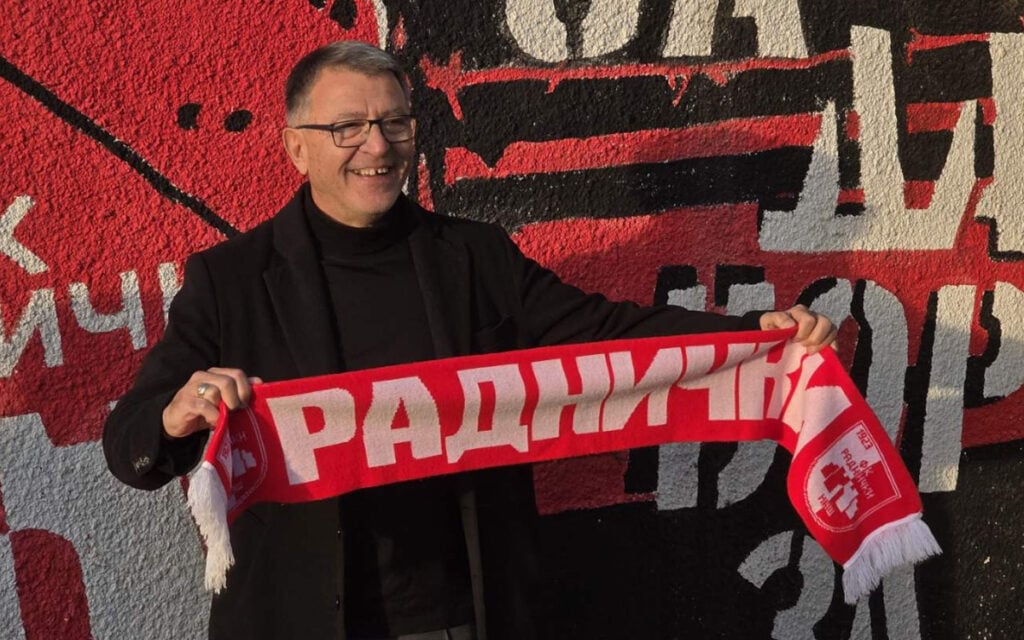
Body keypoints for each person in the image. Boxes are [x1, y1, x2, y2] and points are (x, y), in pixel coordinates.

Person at [103, 41, 836, 640]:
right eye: (347, 127)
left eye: (395, 122)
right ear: (296, 147)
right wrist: (176, 415)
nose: (377, 146)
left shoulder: (476, 257)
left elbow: (606, 332)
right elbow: (130, 443)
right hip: (298, 619)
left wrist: (754, 335)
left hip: (459, 617)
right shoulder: (229, 280)